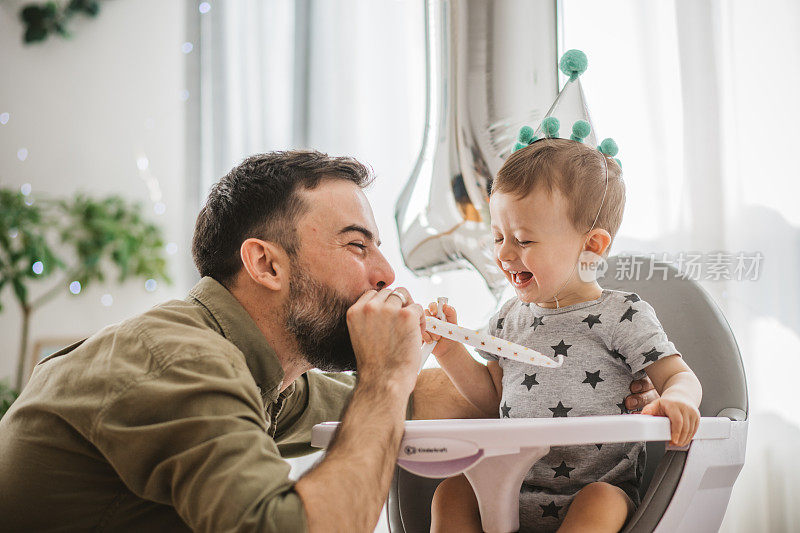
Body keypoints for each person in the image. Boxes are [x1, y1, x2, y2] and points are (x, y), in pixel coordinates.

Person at [0, 150, 658, 532]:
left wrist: (585, 384)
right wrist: (383, 377)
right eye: (356, 245)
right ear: (266, 265)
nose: (385, 273)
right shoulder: (181, 361)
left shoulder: (268, 377)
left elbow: (442, 406)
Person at [426, 139, 702, 533]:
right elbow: (493, 399)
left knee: (602, 501)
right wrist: (449, 351)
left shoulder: (621, 314)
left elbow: (679, 376)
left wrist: (676, 398)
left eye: (523, 240)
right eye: (498, 237)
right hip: (508, 486)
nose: (504, 255)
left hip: (595, 490)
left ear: (591, 247)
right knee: (452, 492)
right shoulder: (508, 319)